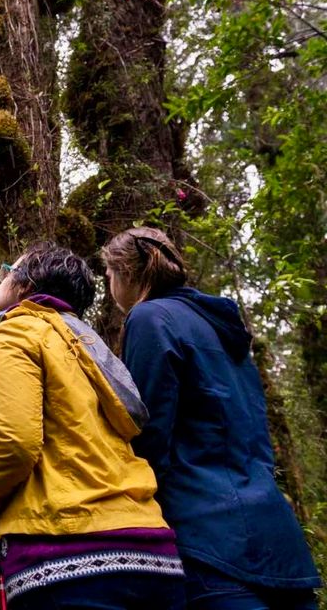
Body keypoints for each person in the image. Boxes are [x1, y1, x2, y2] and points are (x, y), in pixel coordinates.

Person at [0, 241, 185, 609]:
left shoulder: (17, 329)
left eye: (6, 271)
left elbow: (13, 442)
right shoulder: (91, 349)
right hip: (153, 554)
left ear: (25, 286)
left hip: (68, 556)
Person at [102, 226, 322, 610]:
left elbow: (148, 433)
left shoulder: (149, 318)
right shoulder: (221, 326)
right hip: (276, 536)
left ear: (126, 272)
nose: (108, 286)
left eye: (107, 275)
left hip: (208, 539)